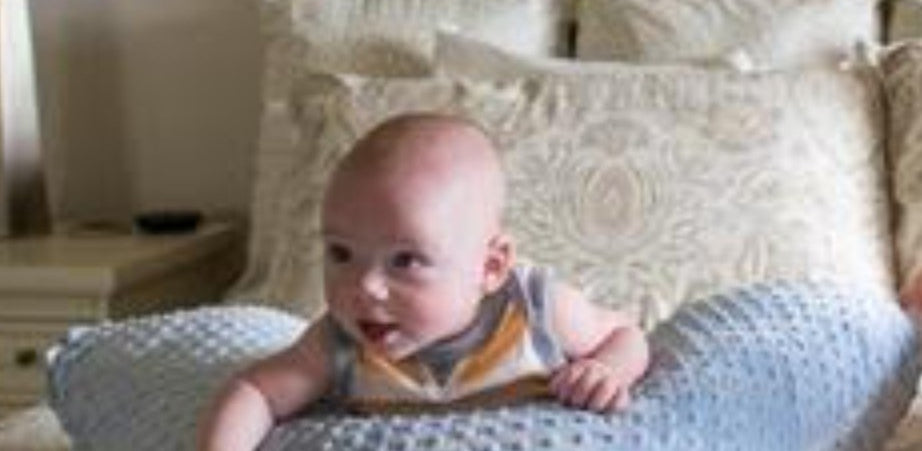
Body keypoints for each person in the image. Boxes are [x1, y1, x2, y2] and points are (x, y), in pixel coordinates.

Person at [197, 113, 650, 450]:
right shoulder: (339, 342)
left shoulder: (536, 311)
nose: (365, 287)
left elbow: (627, 334)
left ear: (490, 268)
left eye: (405, 260)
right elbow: (254, 392)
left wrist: (608, 369)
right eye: (340, 254)